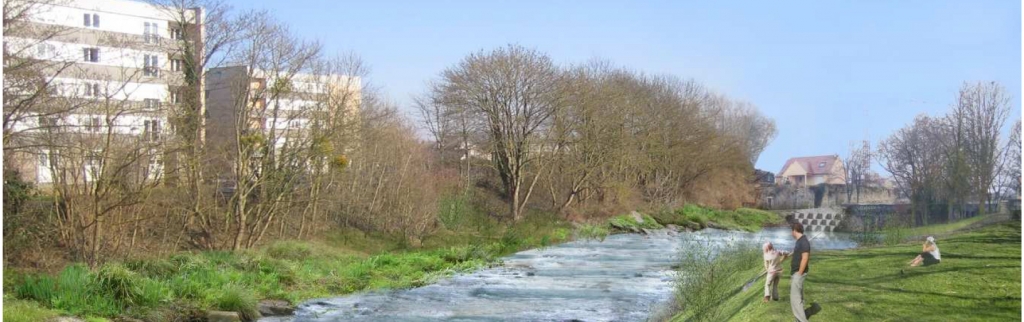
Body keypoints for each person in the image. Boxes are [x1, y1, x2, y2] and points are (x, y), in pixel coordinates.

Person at [790, 223, 811, 322]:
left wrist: (799, 273)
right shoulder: (800, 241)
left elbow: (805, 258)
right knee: (799, 297)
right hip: (797, 272)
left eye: (791, 231)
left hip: (798, 273)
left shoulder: (804, 242)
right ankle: (798, 320)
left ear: (794, 230)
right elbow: (799, 255)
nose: (791, 233)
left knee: (795, 299)